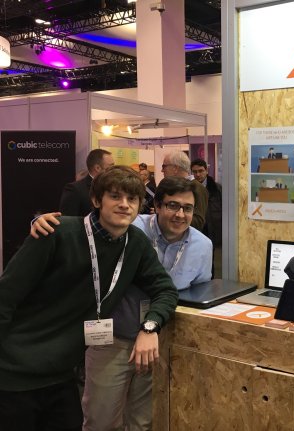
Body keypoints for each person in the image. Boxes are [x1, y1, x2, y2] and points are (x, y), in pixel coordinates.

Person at [0, 166, 178, 431]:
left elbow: (165, 290)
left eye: (132, 199)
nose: (124, 205)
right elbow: (6, 296)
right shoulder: (56, 233)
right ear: (96, 200)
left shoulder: (135, 244)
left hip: (61, 375)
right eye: (115, 196)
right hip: (14, 374)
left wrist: (150, 327)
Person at [31, 176, 212, 431]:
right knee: (100, 419)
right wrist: (40, 221)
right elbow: (85, 229)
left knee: (143, 421)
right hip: (111, 339)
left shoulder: (202, 246)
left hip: (156, 343)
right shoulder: (131, 226)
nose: (180, 214)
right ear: (156, 206)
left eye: (188, 208)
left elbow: (195, 294)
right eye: (172, 205)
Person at [161, 151, 208, 231]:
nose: (162, 170)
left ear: (175, 168)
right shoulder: (173, 187)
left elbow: (198, 222)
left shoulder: (197, 188)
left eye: (164, 166)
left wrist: (168, 217)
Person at [60, 149, 115, 216]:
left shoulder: (114, 187)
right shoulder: (75, 189)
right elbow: (68, 221)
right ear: (97, 168)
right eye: (111, 166)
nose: (115, 169)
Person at [191, 158, 222, 250]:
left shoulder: (217, 189)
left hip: (214, 228)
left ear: (206, 171)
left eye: (201, 171)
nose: (198, 174)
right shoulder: (189, 189)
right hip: (197, 227)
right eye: (195, 172)